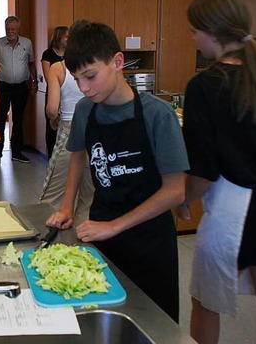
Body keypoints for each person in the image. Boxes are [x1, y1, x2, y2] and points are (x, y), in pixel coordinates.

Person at [46, 20, 188, 323]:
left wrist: (115, 226)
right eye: (76, 78)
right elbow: (77, 157)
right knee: (104, 321)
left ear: (118, 62)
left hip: (150, 241)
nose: (83, 87)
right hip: (103, 231)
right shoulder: (86, 110)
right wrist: (67, 206)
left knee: (153, 328)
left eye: (90, 76)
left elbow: (175, 191)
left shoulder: (157, 115)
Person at [177, 0, 256, 344]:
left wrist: (185, 200)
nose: (192, 37)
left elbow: (204, 170)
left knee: (205, 301)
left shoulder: (207, 85)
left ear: (212, 32)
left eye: (194, 30)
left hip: (234, 208)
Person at [39, 51, 93, 224]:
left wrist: (53, 117)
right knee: (89, 199)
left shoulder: (58, 68)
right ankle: (83, 245)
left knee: (52, 198)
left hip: (69, 130)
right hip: (95, 131)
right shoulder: (95, 65)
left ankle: (50, 244)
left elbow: (52, 108)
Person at [0, 15, 37, 165]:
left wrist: (34, 81)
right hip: (3, 86)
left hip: (21, 86)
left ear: (18, 29)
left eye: (13, 29)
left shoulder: (27, 43)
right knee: (0, 120)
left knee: (18, 120)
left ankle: (17, 152)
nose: (10, 32)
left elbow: (31, 63)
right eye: (8, 29)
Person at [41, 26, 69, 158]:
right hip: (54, 92)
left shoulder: (71, 54)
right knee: (52, 126)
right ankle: (52, 155)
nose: (68, 40)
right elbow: (48, 77)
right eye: (66, 37)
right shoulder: (48, 54)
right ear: (59, 37)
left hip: (67, 93)